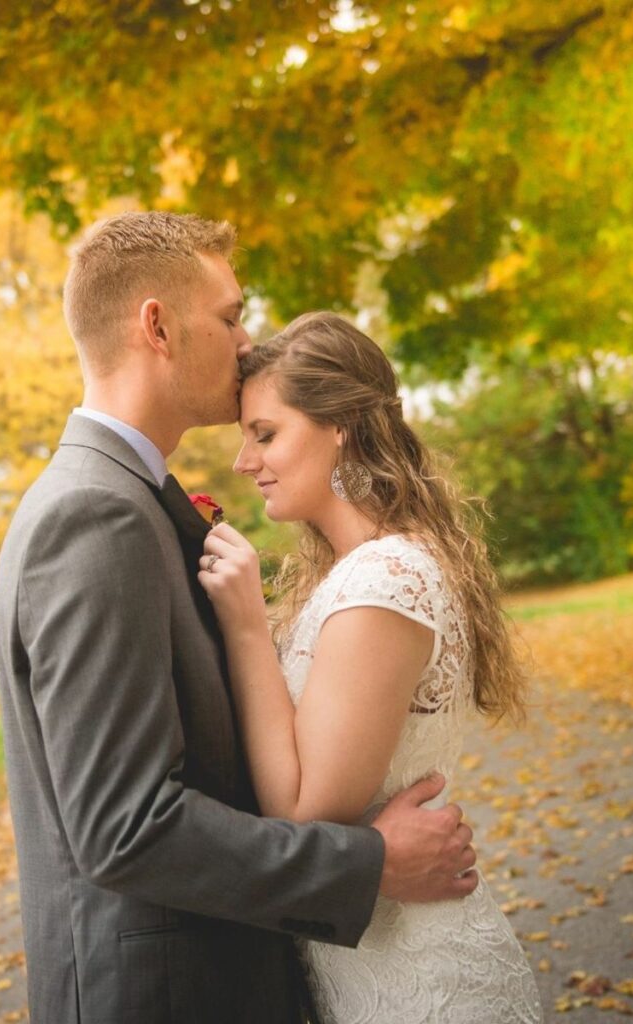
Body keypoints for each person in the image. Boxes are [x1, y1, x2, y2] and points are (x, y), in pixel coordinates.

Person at [0, 214, 479, 1024]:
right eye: (228, 315)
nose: (245, 337)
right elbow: (124, 828)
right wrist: (368, 863)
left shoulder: (128, 500)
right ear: (157, 326)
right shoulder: (94, 513)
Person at [197, 310, 544, 1023]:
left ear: (339, 427)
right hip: (370, 963)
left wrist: (245, 630)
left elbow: (305, 812)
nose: (243, 460)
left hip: (421, 988)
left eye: (265, 433)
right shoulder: (361, 571)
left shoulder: (383, 579)